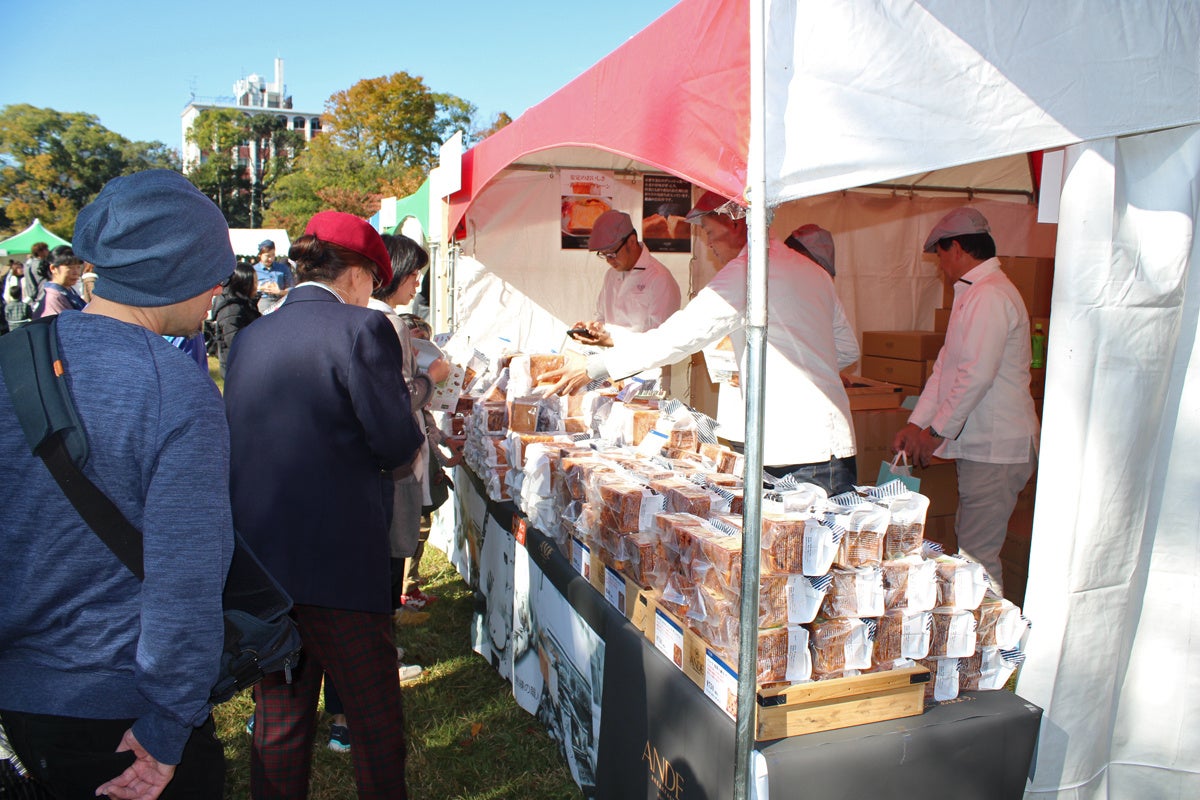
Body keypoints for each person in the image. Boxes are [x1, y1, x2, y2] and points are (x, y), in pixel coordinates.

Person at [0, 169, 235, 800]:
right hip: (122, 708)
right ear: (180, 272)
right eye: (215, 274)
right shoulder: (177, 391)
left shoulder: (13, 356)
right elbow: (186, 579)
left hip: (22, 695)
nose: (217, 291)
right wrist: (167, 725)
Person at [224, 211, 424, 799]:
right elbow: (394, 443)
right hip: (339, 561)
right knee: (374, 721)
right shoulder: (362, 329)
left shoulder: (251, 334)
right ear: (360, 274)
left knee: (280, 722)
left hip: (262, 561)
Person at [543, 191, 860, 495]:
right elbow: (845, 348)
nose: (708, 244)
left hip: (794, 452)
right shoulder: (811, 271)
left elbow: (679, 336)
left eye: (709, 232)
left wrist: (596, 366)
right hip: (829, 446)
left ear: (737, 223)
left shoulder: (749, 272)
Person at [891, 207, 1039, 596]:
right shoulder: (975, 293)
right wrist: (916, 424)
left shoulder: (989, 295)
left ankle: (992, 649)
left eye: (939, 254)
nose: (940, 265)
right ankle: (980, 645)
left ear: (955, 247)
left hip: (997, 447)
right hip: (985, 448)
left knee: (977, 559)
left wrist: (936, 431)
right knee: (972, 550)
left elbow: (975, 375)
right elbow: (946, 369)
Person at [570, 210, 681, 343]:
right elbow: (602, 316)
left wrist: (610, 340)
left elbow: (661, 339)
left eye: (612, 254)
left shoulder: (660, 278)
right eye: (604, 255)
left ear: (632, 242)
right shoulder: (611, 274)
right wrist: (592, 330)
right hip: (610, 359)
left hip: (646, 363)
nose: (609, 261)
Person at [211, 261, 262, 376]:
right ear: (244, 283)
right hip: (237, 369)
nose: (256, 286)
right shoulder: (232, 309)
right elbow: (233, 341)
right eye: (254, 282)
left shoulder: (244, 304)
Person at [31, 253, 86, 318]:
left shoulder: (68, 291)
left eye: (78, 267)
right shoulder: (53, 296)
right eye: (70, 267)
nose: (76, 272)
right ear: (53, 268)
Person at [252, 238, 294, 313]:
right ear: (260, 255)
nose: (270, 259)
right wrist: (261, 288)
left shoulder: (283, 268)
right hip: (261, 301)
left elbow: (291, 287)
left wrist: (280, 292)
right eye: (267, 256)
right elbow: (248, 288)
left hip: (280, 301)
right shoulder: (253, 270)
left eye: (273, 255)